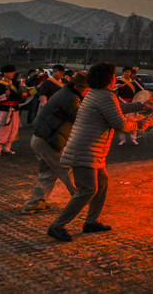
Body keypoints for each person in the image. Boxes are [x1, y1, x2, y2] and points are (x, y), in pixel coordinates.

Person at [47, 63, 150, 242]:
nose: (114, 78)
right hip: (85, 150)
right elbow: (119, 123)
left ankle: (92, 221)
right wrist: (138, 124)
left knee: (101, 182)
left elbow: (117, 109)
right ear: (106, 79)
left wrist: (141, 106)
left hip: (91, 150)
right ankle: (57, 225)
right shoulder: (104, 96)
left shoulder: (98, 94)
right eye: (112, 75)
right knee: (87, 189)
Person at [22, 71, 89, 214]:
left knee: (48, 173)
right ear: (77, 86)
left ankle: (34, 202)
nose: (87, 91)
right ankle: (80, 201)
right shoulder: (70, 98)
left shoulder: (66, 92)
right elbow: (80, 118)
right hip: (49, 140)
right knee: (68, 170)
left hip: (41, 138)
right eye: (86, 88)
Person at [0, 65, 27, 155]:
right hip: (3, 109)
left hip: (15, 108)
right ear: (4, 73)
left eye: (13, 72)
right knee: (2, 128)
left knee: (13, 128)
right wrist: (4, 96)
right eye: (10, 72)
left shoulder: (15, 83)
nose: (12, 74)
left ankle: (7, 147)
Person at [114, 67, 142, 145]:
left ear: (131, 73)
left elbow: (141, 91)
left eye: (128, 72)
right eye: (125, 72)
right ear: (123, 73)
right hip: (122, 103)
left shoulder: (134, 82)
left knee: (133, 121)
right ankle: (122, 139)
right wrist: (117, 87)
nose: (127, 73)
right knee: (121, 122)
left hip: (132, 104)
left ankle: (133, 139)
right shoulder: (118, 81)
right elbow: (113, 91)